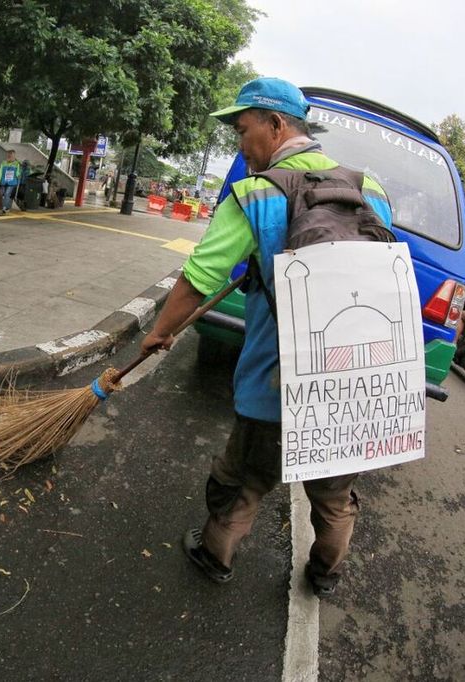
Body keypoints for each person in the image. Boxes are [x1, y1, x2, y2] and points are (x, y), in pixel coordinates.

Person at [141, 77, 392, 596]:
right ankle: (325, 573)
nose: (239, 142)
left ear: (276, 125)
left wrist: (160, 333)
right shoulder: (371, 190)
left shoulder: (256, 193)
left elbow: (200, 277)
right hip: (353, 382)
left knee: (245, 480)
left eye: (243, 129)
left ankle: (216, 555)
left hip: (274, 382)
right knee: (334, 494)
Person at [0, 150, 22, 214]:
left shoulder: (16, 163)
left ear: (14, 156)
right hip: (4, 181)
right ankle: (8, 206)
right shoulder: (3, 163)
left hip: (12, 182)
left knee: (7, 194)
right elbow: (1, 172)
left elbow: (18, 172)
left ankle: (5, 208)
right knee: (3, 194)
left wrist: (18, 175)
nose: (10, 156)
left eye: (11, 155)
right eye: (9, 155)